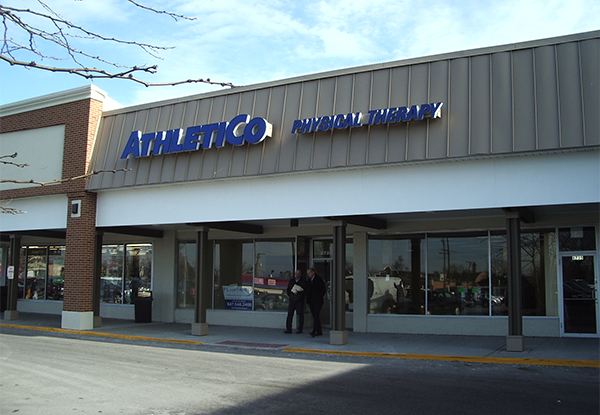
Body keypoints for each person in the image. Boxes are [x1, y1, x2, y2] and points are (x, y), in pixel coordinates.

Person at [305, 267, 326, 337]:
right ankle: (319, 331)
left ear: (313, 272)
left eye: (309, 273)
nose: (308, 275)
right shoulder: (308, 281)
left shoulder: (319, 280)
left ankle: (314, 331)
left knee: (316, 315)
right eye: (307, 273)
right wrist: (308, 300)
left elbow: (323, 290)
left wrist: (318, 298)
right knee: (315, 316)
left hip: (318, 301)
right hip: (311, 302)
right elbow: (307, 291)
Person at [284, 269, 305, 334]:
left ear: (300, 274)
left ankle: (300, 329)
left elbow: (305, 291)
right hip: (292, 300)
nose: (297, 275)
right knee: (290, 314)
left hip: (299, 300)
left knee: (300, 315)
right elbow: (288, 290)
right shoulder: (292, 281)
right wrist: (291, 295)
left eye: (298, 273)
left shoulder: (303, 282)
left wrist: (298, 293)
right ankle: (288, 329)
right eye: (296, 273)